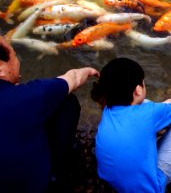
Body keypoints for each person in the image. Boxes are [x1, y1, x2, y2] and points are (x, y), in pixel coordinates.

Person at [0, 36, 99, 193]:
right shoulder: (30, 96)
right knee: (66, 102)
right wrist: (89, 70)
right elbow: (72, 78)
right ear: (1, 69)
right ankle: (58, 174)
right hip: (36, 187)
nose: (18, 60)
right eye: (14, 55)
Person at [92, 57, 171, 193]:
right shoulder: (148, 113)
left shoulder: (108, 109)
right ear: (138, 89)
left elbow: (144, 112)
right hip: (147, 189)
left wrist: (162, 107)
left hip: (113, 181)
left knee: (146, 104)